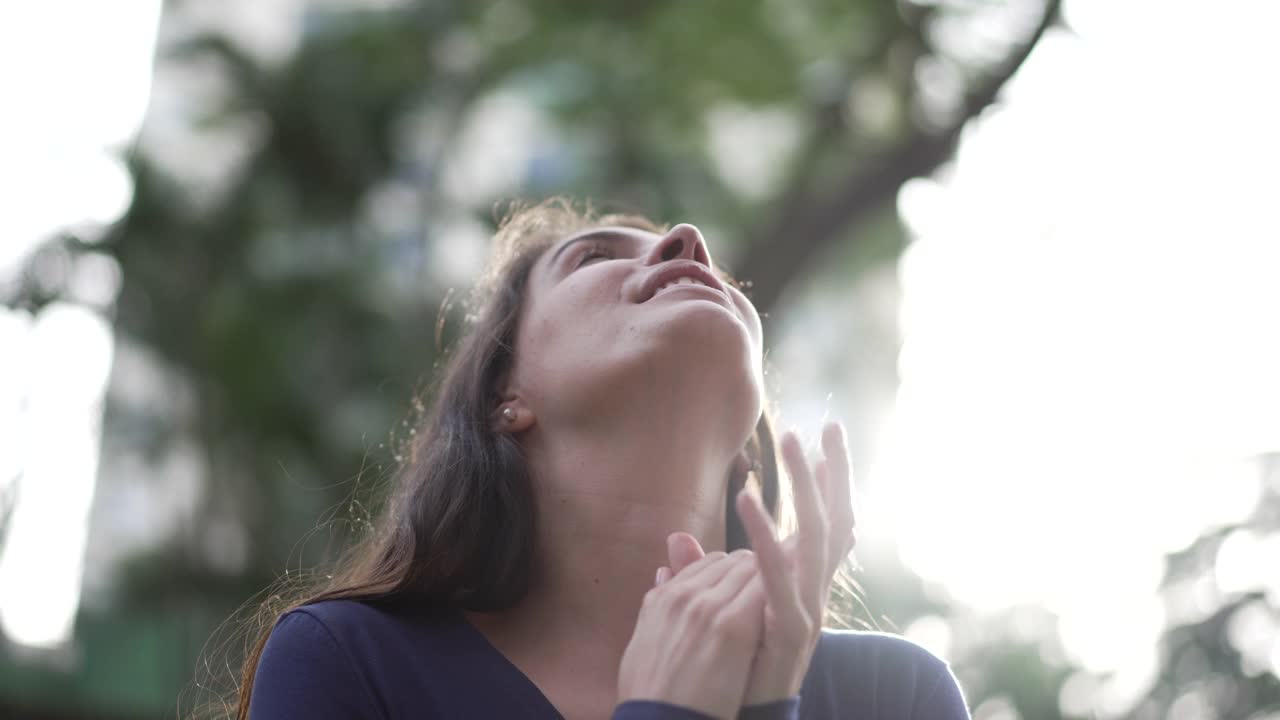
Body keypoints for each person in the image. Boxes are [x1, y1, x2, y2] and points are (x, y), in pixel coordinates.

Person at [237, 201, 970, 719]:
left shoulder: (896, 696)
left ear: (749, 449)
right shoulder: (348, 663)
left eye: (721, 276)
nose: (688, 241)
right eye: (593, 257)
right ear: (505, 396)